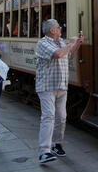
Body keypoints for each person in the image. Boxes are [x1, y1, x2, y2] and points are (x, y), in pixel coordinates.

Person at [35, 19, 83, 164]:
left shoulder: (60, 41)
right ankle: (44, 151)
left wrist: (77, 44)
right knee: (48, 116)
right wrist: (71, 43)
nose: (60, 28)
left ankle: (57, 145)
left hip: (61, 86)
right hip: (47, 86)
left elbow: (69, 56)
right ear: (52, 30)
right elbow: (58, 55)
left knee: (61, 117)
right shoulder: (43, 43)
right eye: (58, 27)